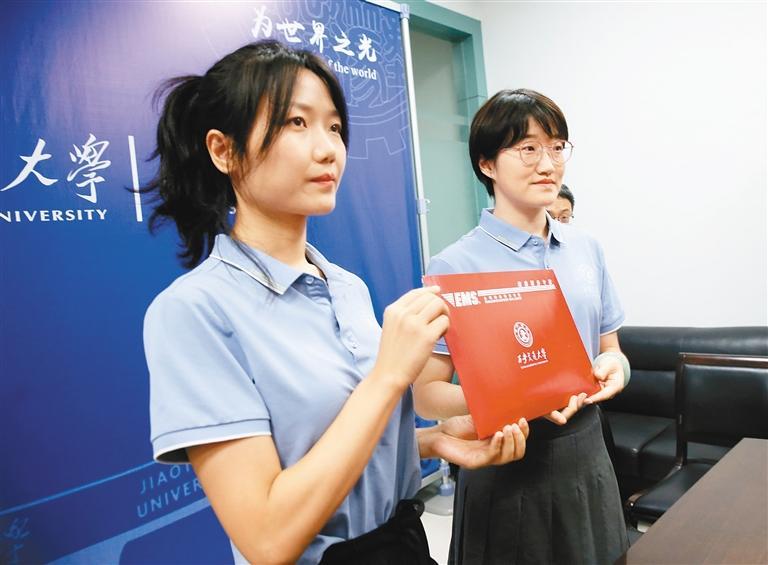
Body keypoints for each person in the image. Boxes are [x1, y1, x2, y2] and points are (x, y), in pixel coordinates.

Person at [142, 41, 530, 565]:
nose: (328, 149)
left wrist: (433, 441)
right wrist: (388, 376)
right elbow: (267, 536)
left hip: (404, 544)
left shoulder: (347, 287)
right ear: (223, 150)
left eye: (335, 127)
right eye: (296, 123)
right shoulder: (194, 311)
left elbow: (326, 444)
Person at [413, 88, 630, 564]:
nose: (548, 164)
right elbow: (427, 395)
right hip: (505, 459)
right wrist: (515, 394)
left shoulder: (586, 248)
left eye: (557, 147)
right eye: (528, 148)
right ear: (487, 164)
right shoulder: (455, 265)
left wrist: (616, 368)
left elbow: (610, 349)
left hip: (586, 451)